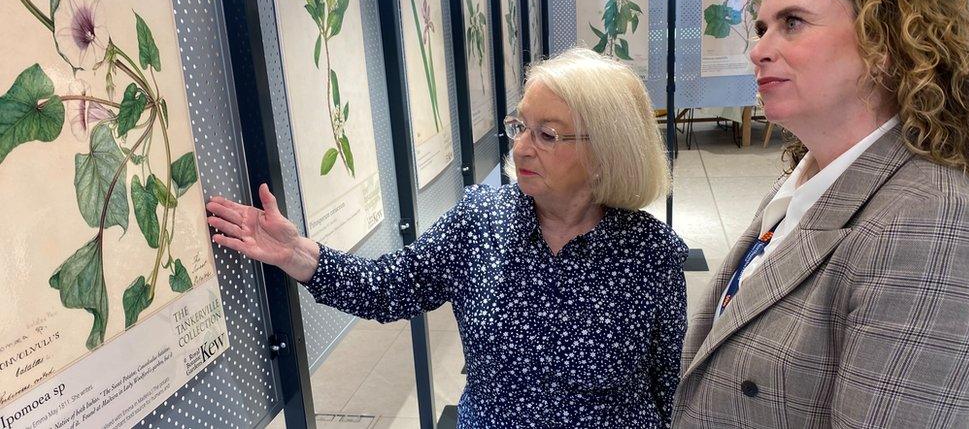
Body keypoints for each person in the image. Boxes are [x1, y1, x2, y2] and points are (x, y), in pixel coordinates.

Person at [207, 48, 688, 428]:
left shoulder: (653, 254)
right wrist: (297, 253)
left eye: (547, 134)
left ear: (606, 150)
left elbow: (670, 387)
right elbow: (389, 286)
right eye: (520, 126)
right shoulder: (482, 220)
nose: (520, 146)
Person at [673, 0, 969, 428]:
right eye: (763, 27)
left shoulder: (932, 222)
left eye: (792, 22)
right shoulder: (811, 178)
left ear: (884, 41)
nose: (759, 49)